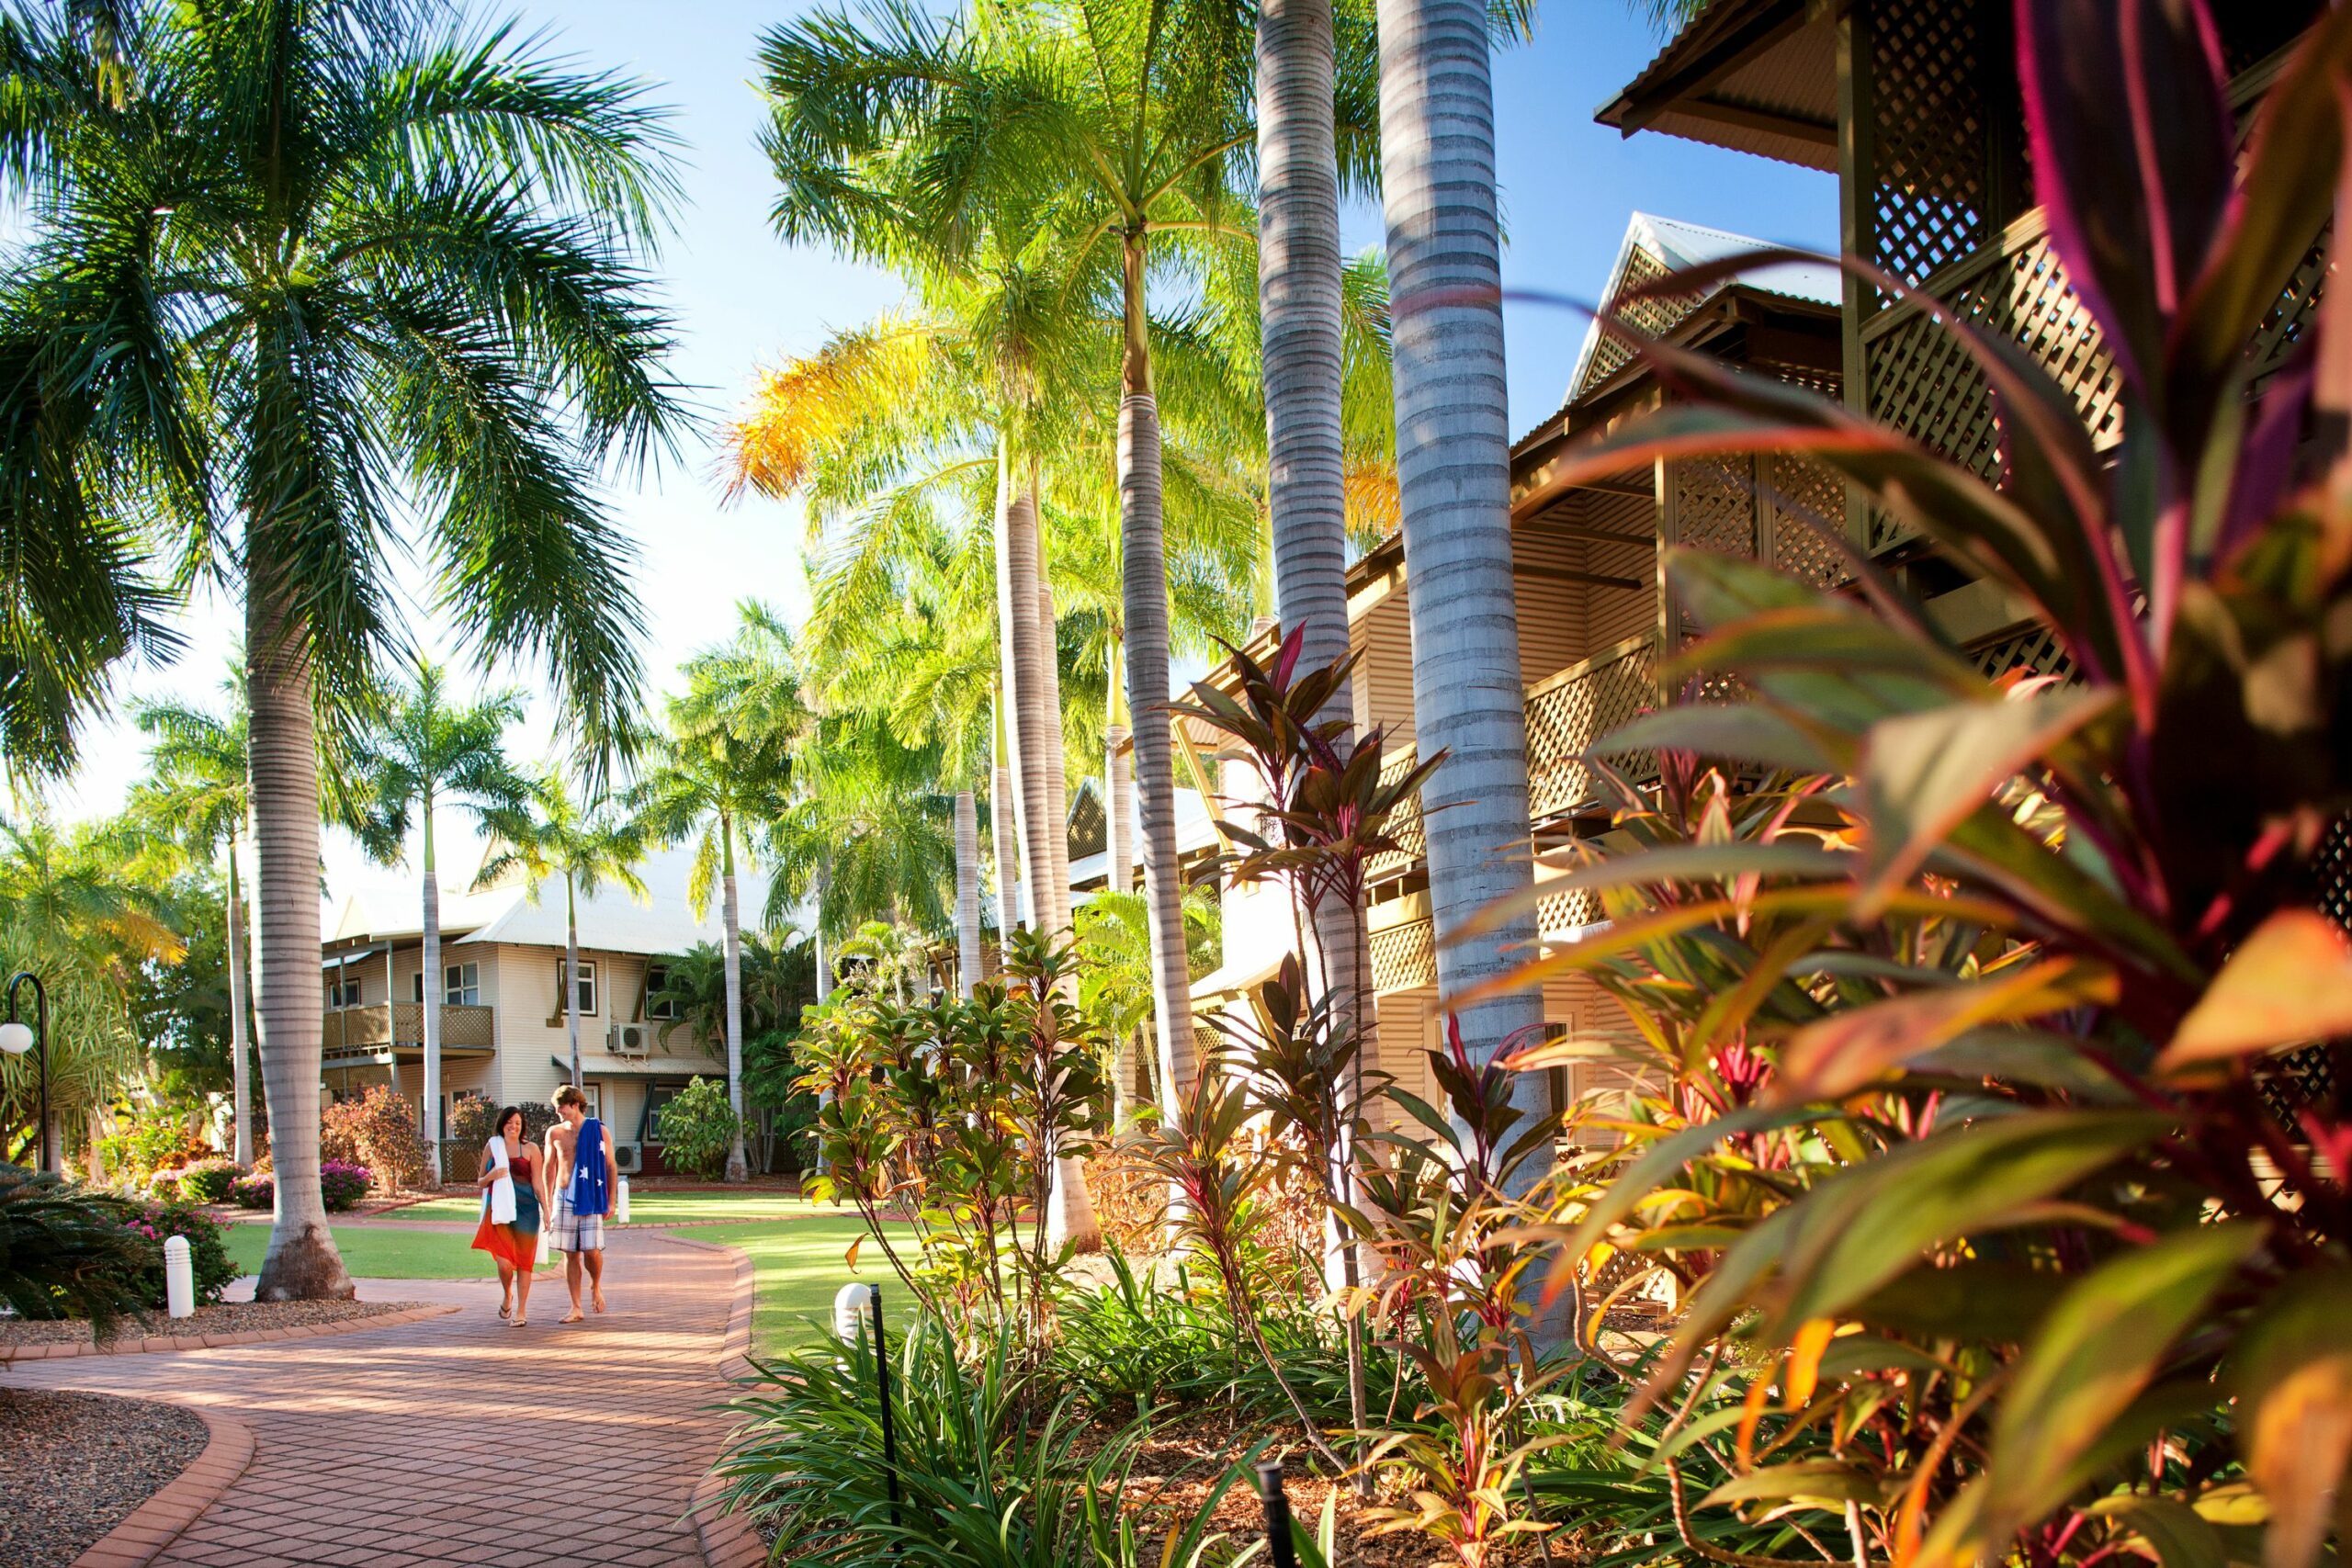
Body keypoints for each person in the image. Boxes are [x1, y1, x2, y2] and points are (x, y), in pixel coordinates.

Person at [544, 1084, 616, 1324]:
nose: (558, 1113)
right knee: (570, 1253)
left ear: (575, 1105)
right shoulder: (554, 1133)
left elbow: (610, 1166)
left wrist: (611, 1200)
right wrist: (547, 1202)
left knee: (591, 1250)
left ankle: (595, 1286)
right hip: (563, 1195)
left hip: (591, 1194)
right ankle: (575, 1307)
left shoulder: (598, 1130)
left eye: (561, 1108)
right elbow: (549, 1168)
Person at [470, 1105, 548, 1326]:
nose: (514, 1126)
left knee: (524, 1262)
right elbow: (480, 1181)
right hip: (500, 1210)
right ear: (502, 1124)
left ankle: (521, 1311)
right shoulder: (493, 1146)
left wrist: (546, 1210)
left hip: (527, 1210)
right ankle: (507, 1294)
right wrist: (492, 1174)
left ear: (522, 1127)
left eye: (518, 1123)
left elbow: (538, 1183)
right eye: (510, 1122)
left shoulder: (531, 1149)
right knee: (504, 1264)